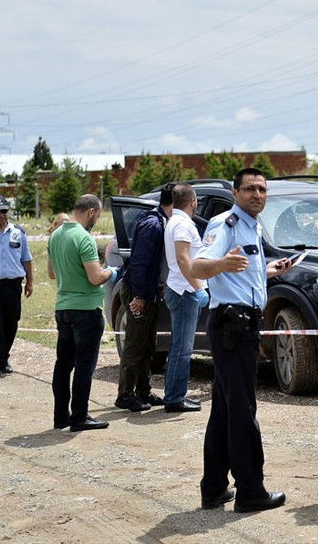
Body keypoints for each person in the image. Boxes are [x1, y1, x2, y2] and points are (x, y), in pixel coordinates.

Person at [191, 168, 290, 513]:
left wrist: (272, 271)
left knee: (225, 409)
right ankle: (250, 490)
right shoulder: (226, 225)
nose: (257, 195)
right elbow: (197, 267)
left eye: (262, 189)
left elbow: (243, 271)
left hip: (243, 323)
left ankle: (214, 487)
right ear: (235, 193)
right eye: (250, 189)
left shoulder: (253, 226)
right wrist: (220, 263)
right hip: (233, 326)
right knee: (243, 410)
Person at [47, 194, 117, 431]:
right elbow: (95, 277)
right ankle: (79, 416)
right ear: (90, 212)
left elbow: (51, 273)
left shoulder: (55, 235)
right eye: (97, 215)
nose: (96, 219)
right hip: (86, 310)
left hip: (63, 307)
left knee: (63, 364)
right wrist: (111, 272)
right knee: (84, 366)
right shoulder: (84, 238)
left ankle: (60, 416)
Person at [114, 184, 174, 412]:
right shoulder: (153, 225)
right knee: (135, 344)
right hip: (138, 292)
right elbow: (140, 263)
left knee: (148, 345)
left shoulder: (160, 222)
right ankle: (125, 395)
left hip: (149, 292)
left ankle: (143, 391)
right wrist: (139, 296)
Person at [162, 183, 208, 412]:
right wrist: (198, 287)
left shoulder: (176, 221)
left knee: (180, 347)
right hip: (184, 291)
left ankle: (174, 395)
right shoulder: (181, 224)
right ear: (192, 201)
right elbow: (182, 258)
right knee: (182, 349)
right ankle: (174, 398)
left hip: (182, 289)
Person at [0, 194, 33, 381]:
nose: (1, 215)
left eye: (4, 211)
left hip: (13, 285)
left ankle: (4, 358)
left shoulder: (18, 232)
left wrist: (30, 281)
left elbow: (26, 258)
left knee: (11, 324)